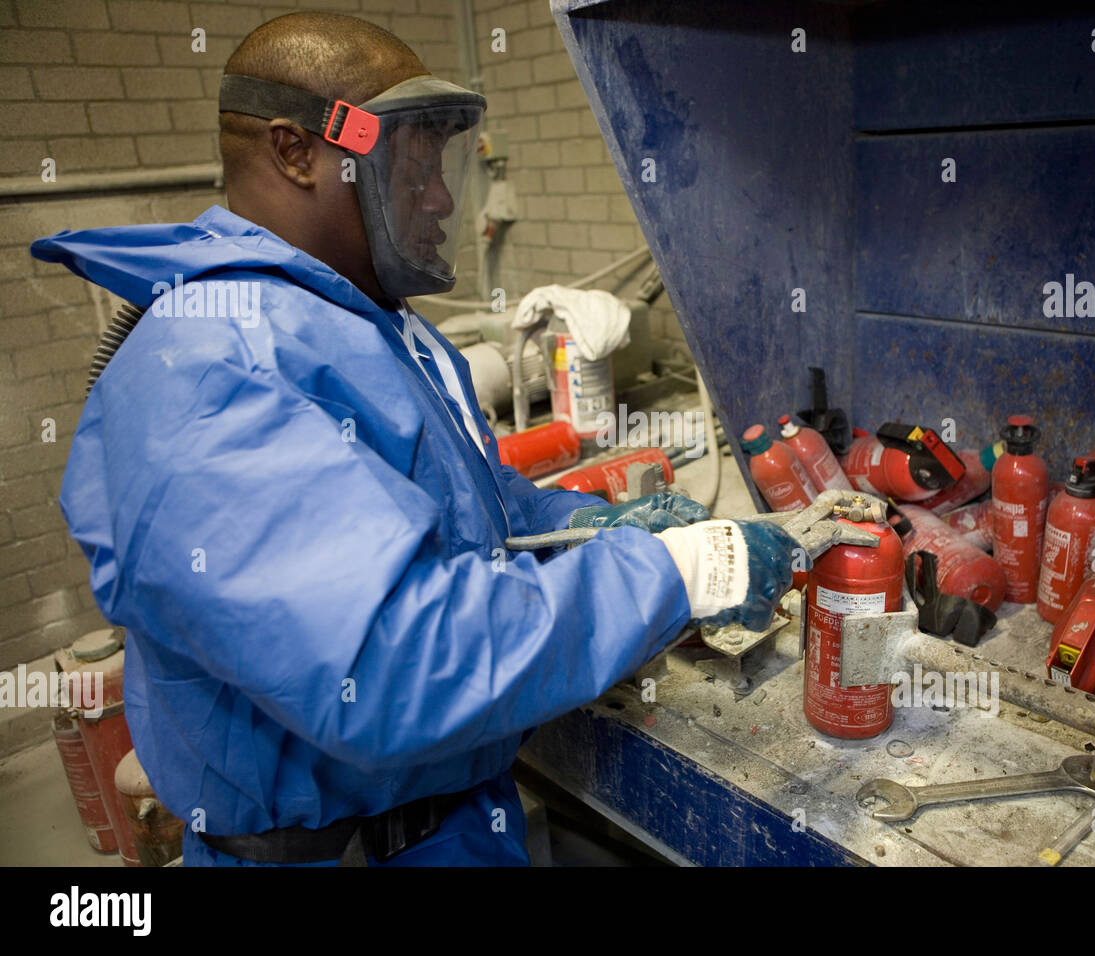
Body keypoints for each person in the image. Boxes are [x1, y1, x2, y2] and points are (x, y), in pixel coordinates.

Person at [31, 12, 796, 866]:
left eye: (443, 162)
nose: (439, 196)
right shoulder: (210, 368)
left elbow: (462, 499)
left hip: (455, 823)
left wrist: (583, 524)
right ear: (296, 151)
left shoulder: (367, 323)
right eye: (410, 162)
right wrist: (686, 570)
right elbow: (395, 667)